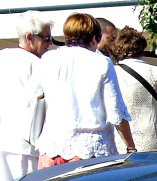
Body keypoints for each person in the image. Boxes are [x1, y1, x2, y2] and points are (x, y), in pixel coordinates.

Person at [35, 12, 135, 166]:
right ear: (95, 38)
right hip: (90, 150)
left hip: (52, 148)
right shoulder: (102, 62)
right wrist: (130, 147)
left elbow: (39, 98)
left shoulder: (48, 59)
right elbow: (115, 112)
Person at [0, 10, 54, 181]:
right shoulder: (37, 65)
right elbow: (45, 108)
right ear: (30, 37)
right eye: (46, 38)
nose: (50, 43)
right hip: (25, 147)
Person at [102, 27, 157, 151]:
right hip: (155, 143)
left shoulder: (111, 73)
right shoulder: (155, 71)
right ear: (141, 47)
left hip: (121, 145)